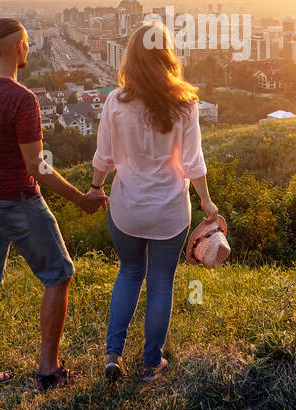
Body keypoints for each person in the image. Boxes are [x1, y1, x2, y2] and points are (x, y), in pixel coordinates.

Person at [0, 18, 106, 396]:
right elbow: (37, 167)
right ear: (19, 48)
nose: (30, 48)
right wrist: (80, 199)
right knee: (59, 275)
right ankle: (48, 371)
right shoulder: (23, 100)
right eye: (29, 43)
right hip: (19, 201)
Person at [90, 21, 219, 383]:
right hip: (169, 212)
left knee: (129, 273)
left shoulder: (116, 101)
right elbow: (193, 164)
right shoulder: (185, 104)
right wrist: (207, 203)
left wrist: (96, 188)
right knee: (161, 281)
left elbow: (104, 157)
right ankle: (150, 364)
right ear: (167, 56)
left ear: (131, 58)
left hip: (127, 209)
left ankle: (112, 354)